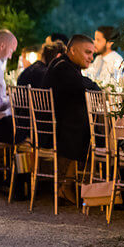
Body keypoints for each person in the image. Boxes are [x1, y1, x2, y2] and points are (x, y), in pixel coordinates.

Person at [42, 35, 100, 204]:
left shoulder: (63, 65)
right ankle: (75, 186)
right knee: (92, 132)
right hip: (54, 133)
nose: (91, 57)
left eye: (93, 54)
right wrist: (98, 88)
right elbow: (85, 86)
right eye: (87, 52)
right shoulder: (63, 68)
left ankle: (68, 186)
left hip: (56, 128)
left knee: (86, 125)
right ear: (72, 50)